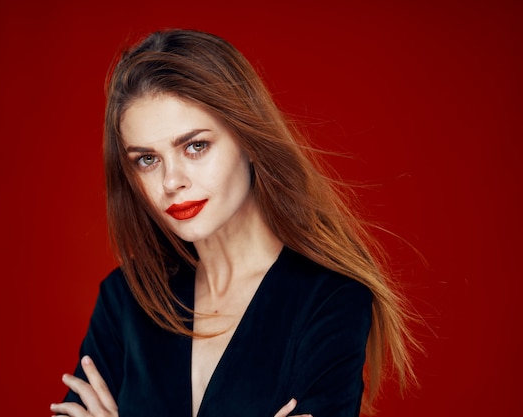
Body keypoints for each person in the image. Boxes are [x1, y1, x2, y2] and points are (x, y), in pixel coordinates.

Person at [50, 29, 416, 417]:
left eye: (195, 146)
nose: (172, 181)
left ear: (249, 141)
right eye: (147, 159)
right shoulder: (125, 299)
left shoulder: (330, 298)